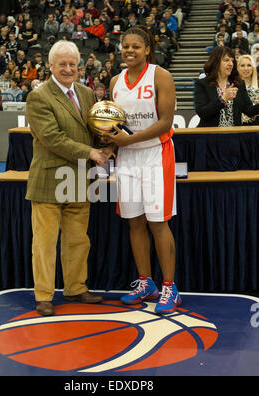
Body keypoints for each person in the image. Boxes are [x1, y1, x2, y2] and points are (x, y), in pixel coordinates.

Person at [25, 40, 109, 316]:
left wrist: (109, 140)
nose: (68, 68)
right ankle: (44, 296)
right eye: (62, 64)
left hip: (79, 180)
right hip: (50, 179)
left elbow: (94, 130)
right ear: (50, 66)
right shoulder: (38, 96)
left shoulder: (86, 94)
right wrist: (92, 152)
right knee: (45, 243)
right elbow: (52, 138)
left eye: (72, 64)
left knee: (77, 240)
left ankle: (75, 287)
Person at [107, 26, 180, 314]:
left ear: (148, 49)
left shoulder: (160, 75)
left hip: (155, 154)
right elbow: (113, 122)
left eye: (136, 46)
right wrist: (107, 138)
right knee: (134, 221)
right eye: (126, 46)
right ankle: (145, 282)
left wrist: (129, 139)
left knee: (158, 223)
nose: (129, 51)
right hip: (126, 157)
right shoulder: (115, 81)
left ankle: (169, 287)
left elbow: (165, 122)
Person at [194, 46, 259, 127]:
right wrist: (223, 98)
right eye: (226, 60)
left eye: (232, 60)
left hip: (234, 136)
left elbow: (249, 111)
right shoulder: (202, 84)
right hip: (210, 136)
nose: (230, 63)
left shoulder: (238, 84)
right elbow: (202, 113)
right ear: (216, 62)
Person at [237, 54, 259, 125]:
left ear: (253, 68)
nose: (246, 68)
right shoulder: (232, 86)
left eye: (249, 65)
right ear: (237, 68)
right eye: (242, 65)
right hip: (238, 126)